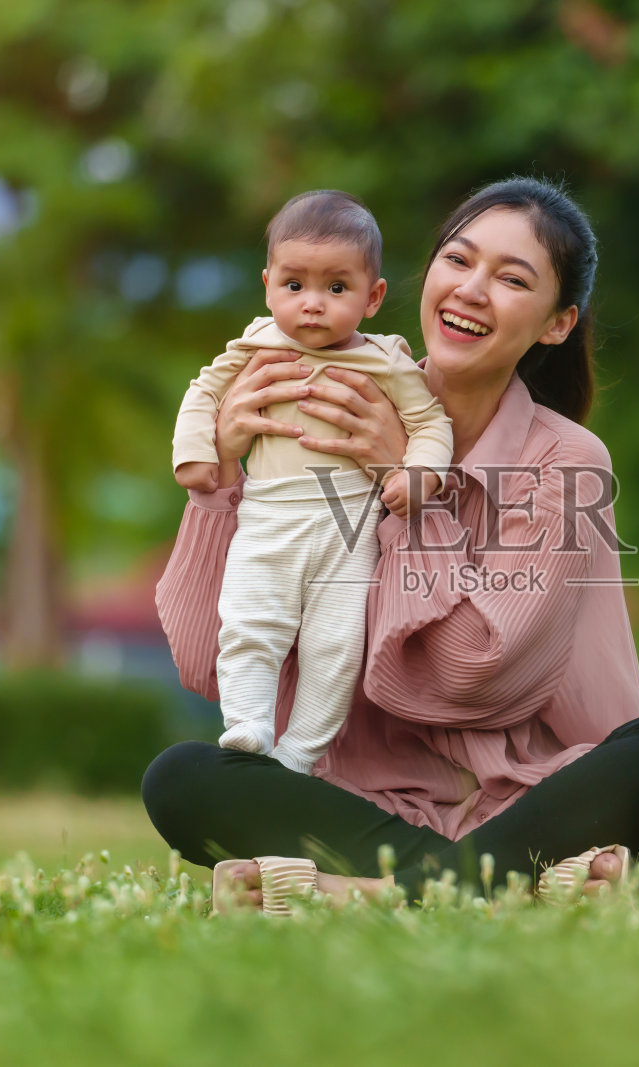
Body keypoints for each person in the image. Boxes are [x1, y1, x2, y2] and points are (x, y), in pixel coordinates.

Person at [144, 176, 639, 909]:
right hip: (357, 805)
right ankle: (508, 891)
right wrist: (218, 481)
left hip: (532, 804)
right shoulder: (321, 407)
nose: (472, 290)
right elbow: (206, 659)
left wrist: (410, 488)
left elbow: (462, 676)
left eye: (512, 278)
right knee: (180, 778)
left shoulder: (568, 464)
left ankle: (364, 894)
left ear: (556, 324)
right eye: (458, 260)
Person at [170, 190, 453, 774]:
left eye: (337, 288)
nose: (313, 305)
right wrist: (197, 453)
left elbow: (430, 422)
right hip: (267, 518)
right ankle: (248, 721)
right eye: (294, 286)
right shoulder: (256, 344)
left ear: (373, 297)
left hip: (347, 527)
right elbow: (203, 391)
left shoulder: (386, 361)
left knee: (337, 644)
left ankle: (300, 752)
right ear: (268, 284)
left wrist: (419, 474)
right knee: (249, 621)